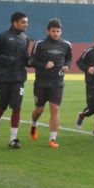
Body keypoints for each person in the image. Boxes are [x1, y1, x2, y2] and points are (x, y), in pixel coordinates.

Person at [0, 11, 30, 148]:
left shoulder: (25, 38)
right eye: (23, 22)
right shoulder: (2, 36)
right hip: (2, 78)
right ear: (14, 22)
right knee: (2, 106)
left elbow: (26, 58)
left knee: (16, 107)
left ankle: (13, 139)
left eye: (27, 22)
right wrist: (4, 59)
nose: (26, 25)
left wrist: (37, 63)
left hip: (19, 79)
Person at [29, 18, 72, 148]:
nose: (56, 34)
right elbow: (30, 61)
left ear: (61, 31)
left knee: (55, 108)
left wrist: (67, 66)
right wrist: (44, 65)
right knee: (39, 109)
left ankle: (52, 139)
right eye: (53, 31)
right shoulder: (40, 44)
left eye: (58, 31)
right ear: (48, 31)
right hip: (41, 83)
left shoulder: (66, 45)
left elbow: (69, 58)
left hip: (57, 83)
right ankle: (34, 124)